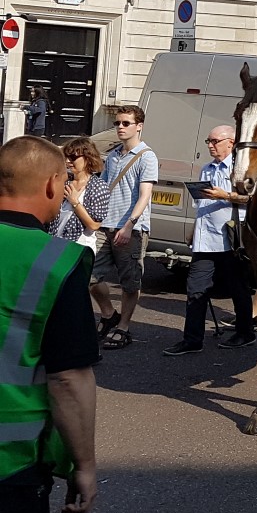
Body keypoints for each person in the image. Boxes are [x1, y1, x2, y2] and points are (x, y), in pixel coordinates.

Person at [0, 136, 99, 513]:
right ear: (50, 186)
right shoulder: (56, 262)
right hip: (11, 466)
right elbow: (68, 378)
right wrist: (85, 464)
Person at [163, 126, 254, 355]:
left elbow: (255, 200)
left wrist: (227, 195)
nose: (210, 145)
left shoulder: (242, 168)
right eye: (208, 141)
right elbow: (202, 204)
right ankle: (192, 340)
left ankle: (245, 332)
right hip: (205, 240)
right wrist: (194, 230)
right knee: (195, 290)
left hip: (230, 239)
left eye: (215, 141)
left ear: (231, 143)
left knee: (238, 288)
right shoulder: (207, 169)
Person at [91, 105, 159, 350]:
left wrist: (130, 225)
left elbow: (145, 195)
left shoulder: (147, 156)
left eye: (126, 123)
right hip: (104, 225)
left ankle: (124, 328)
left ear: (138, 126)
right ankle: (110, 315)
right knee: (90, 277)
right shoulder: (113, 155)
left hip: (131, 228)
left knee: (130, 282)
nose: (120, 127)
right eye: (118, 123)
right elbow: (104, 188)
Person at [47, 139, 108, 249]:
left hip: (79, 246)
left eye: (73, 158)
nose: (68, 161)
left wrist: (75, 202)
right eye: (66, 157)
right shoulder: (63, 182)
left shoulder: (98, 186)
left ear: (88, 158)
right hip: (54, 242)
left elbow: (94, 225)